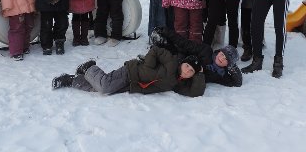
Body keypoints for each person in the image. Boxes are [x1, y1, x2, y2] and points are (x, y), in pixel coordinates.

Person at [51, 45, 205, 97]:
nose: (187, 71)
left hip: (135, 85)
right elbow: (156, 50)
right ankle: (89, 67)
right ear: (183, 63)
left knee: (96, 87)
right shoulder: (172, 61)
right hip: (132, 71)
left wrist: (200, 74)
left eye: (191, 71)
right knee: (105, 87)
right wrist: (149, 65)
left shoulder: (177, 84)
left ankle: (71, 80)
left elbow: (195, 93)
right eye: (187, 66)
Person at [151, 27, 242, 87]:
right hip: (181, 58)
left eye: (226, 59)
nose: (221, 58)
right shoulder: (206, 51)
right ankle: (160, 44)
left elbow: (237, 83)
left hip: (186, 75)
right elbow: (186, 44)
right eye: (222, 54)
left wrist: (233, 68)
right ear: (218, 52)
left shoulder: (220, 74)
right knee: (174, 53)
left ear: (228, 64)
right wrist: (167, 32)